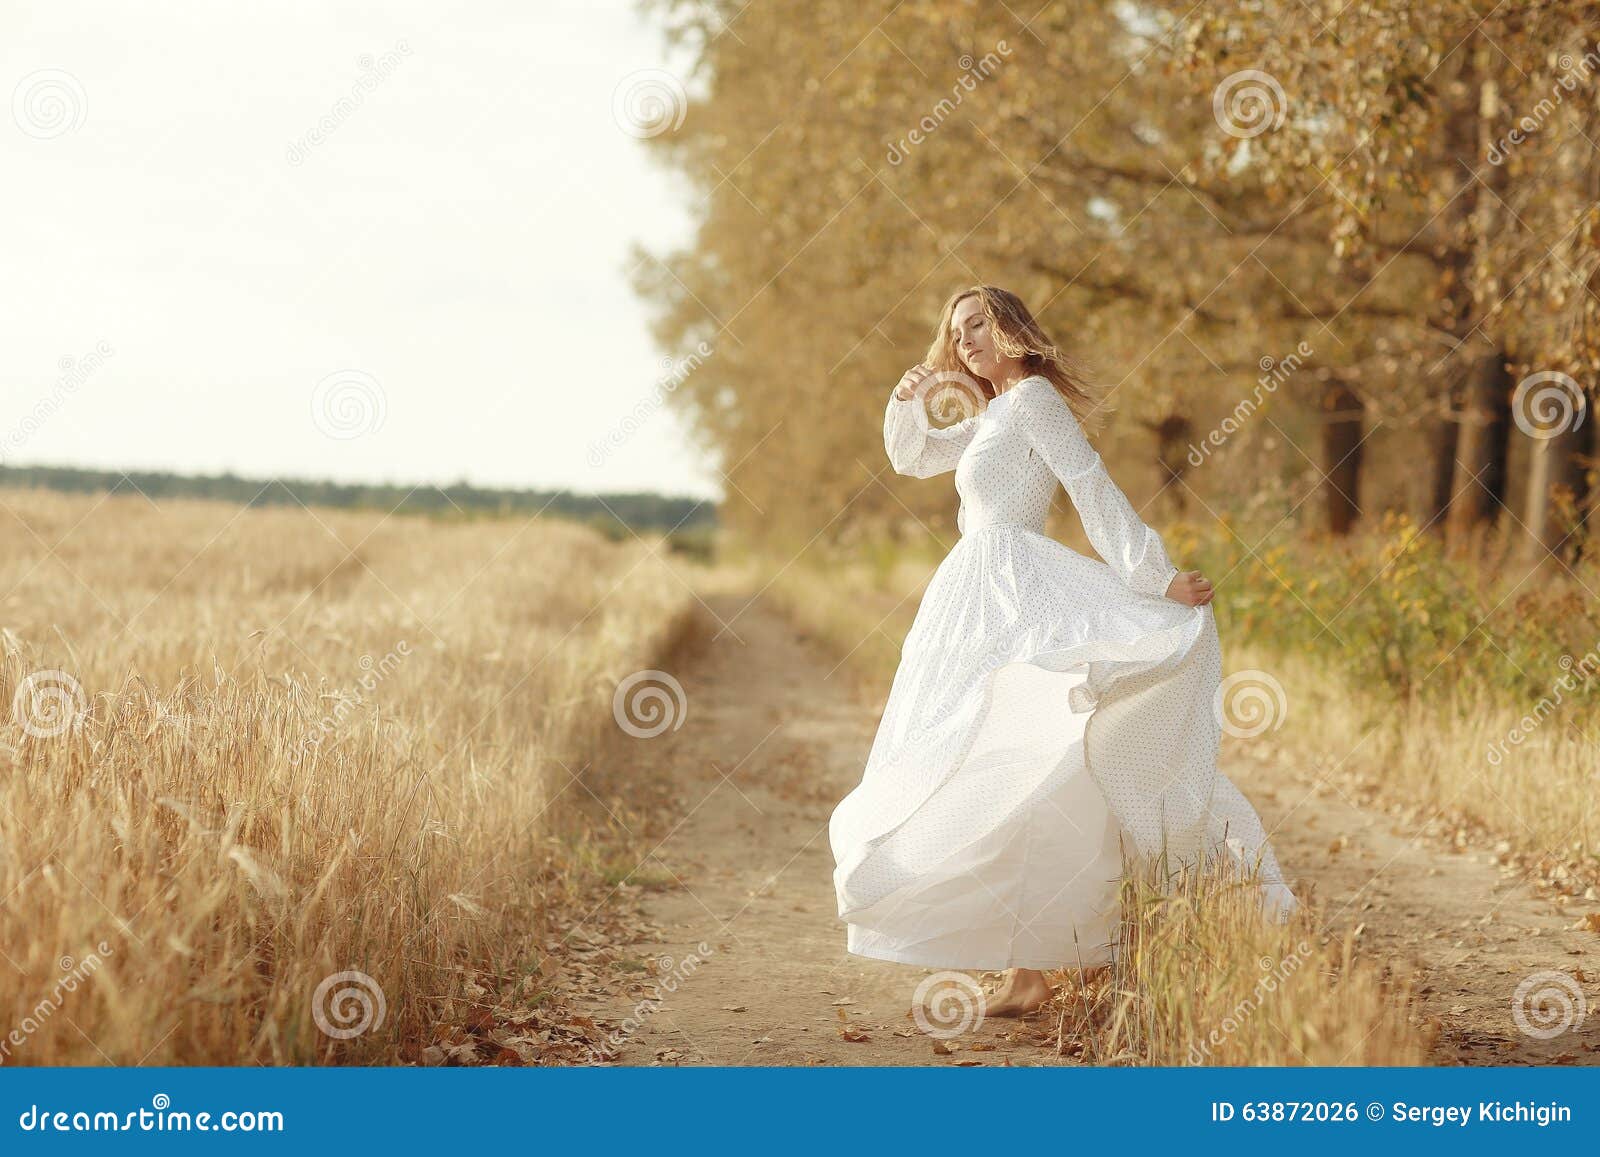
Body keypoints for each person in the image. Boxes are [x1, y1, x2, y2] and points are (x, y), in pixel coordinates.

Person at [828, 285, 1296, 1017]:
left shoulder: (1035, 401)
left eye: (978, 324)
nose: (967, 341)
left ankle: (1068, 952)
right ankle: (1028, 970)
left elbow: (1087, 482)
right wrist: (907, 399)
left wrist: (1152, 574)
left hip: (1016, 588)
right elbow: (914, 458)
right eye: (957, 333)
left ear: (1011, 326)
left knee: (1027, 752)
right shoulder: (992, 415)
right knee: (995, 759)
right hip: (975, 594)